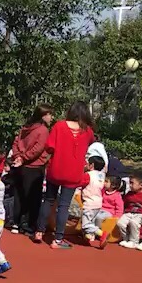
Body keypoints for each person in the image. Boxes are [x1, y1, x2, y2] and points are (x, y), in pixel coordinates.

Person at [34, 101, 95, 249]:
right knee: (64, 205)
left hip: (56, 168)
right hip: (73, 172)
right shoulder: (87, 131)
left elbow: (49, 146)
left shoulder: (59, 126)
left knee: (48, 200)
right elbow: (90, 142)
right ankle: (58, 239)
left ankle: (39, 231)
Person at [10, 104, 54, 235]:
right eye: (50, 114)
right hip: (34, 167)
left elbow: (16, 143)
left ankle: (16, 222)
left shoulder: (25, 128)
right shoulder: (43, 130)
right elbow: (38, 148)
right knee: (33, 198)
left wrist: (18, 157)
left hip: (20, 166)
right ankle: (28, 225)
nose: (52, 117)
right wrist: (23, 158)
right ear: (43, 115)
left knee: (19, 195)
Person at [117, 172, 142, 249]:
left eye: (132, 183)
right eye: (129, 183)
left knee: (133, 222)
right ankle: (126, 238)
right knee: (120, 223)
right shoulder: (129, 194)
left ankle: (134, 241)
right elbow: (125, 204)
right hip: (129, 213)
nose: (130, 185)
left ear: (141, 185)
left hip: (141, 214)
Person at [88, 175, 124, 248]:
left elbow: (120, 207)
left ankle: (96, 232)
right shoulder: (103, 191)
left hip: (109, 212)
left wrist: (117, 216)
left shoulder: (117, 195)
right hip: (100, 209)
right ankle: (89, 231)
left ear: (113, 185)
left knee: (99, 217)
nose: (104, 183)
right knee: (91, 214)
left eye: (106, 182)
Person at [80, 155, 107, 243]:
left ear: (91, 165)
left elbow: (80, 182)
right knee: (91, 221)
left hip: (89, 203)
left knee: (85, 224)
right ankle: (89, 237)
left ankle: (101, 233)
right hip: (98, 203)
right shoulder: (102, 176)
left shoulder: (88, 175)